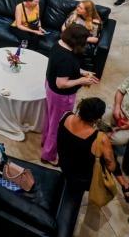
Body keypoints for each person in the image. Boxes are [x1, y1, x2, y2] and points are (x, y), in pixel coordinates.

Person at [58, 98, 129, 202]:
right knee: (110, 158)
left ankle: (126, 187)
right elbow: (111, 166)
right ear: (97, 118)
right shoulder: (101, 139)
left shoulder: (66, 115)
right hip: (84, 178)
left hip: (64, 164)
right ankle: (126, 187)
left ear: (80, 107)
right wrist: (105, 139)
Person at [41, 24, 99, 165]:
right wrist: (82, 80)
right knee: (58, 125)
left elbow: (66, 69)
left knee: (50, 118)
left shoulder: (59, 44)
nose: (86, 42)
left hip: (50, 88)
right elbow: (62, 83)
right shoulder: (66, 58)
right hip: (61, 96)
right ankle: (48, 156)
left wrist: (82, 72)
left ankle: (45, 142)